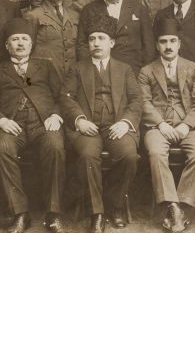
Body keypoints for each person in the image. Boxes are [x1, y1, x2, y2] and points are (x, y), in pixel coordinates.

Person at [62, 14, 142, 232]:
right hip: (88, 127)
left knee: (129, 156)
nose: (96, 43)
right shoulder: (77, 68)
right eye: (92, 39)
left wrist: (125, 122)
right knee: (88, 156)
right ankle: (96, 213)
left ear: (112, 43)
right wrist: (79, 120)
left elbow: (136, 100)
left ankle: (114, 204)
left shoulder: (124, 69)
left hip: (116, 125)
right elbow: (66, 98)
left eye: (101, 38)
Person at [0, 18, 66, 233]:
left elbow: (62, 96)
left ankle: (53, 213)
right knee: (0, 148)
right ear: (6, 45)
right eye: (15, 39)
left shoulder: (45, 66)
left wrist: (56, 115)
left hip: (43, 122)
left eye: (24, 39)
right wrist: (2, 120)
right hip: (12, 123)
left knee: (55, 147)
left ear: (31, 44)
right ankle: (20, 213)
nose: (20, 43)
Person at [138, 19, 195, 232]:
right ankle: (172, 205)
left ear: (179, 43)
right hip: (158, 126)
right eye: (163, 41)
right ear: (157, 45)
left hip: (189, 126)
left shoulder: (194, 68)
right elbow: (144, 102)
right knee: (156, 153)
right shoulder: (146, 71)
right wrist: (160, 124)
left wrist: (186, 125)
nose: (168, 46)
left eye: (172, 41)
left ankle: (183, 204)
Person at [77, 0, 154, 74]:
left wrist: (142, 76)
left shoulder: (139, 9)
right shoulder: (89, 10)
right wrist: (92, 72)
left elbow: (149, 48)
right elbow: (82, 47)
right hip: (100, 74)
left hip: (133, 74)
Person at [23, 0, 78, 82]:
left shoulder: (74, 16)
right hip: (44, 79)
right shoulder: (33, 16)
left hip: (71, 80)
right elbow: (26, 52)